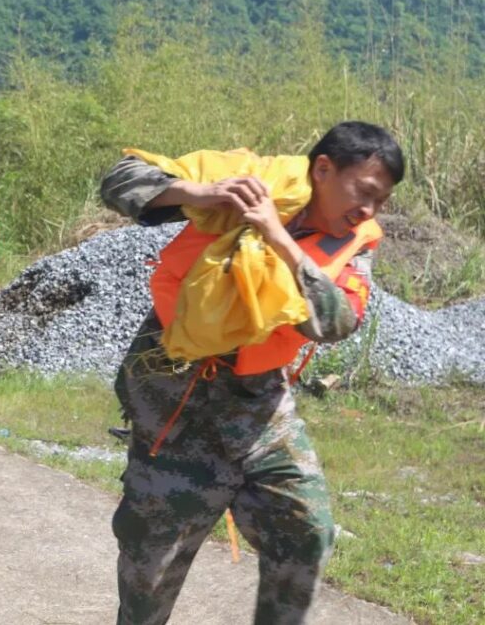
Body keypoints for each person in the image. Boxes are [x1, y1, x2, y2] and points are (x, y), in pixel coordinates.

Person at [101, 121, 404, 624]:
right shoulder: (247, 179)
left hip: (259, 405)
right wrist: (201, 192)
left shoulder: (357, 242)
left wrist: (276, 236)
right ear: (323, 169)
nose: (369, 210)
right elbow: (120, 180)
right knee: (150, 567)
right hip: (173, 397)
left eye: (382, 201)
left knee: (307, 529)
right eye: (365, 192)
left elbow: (337, 320)